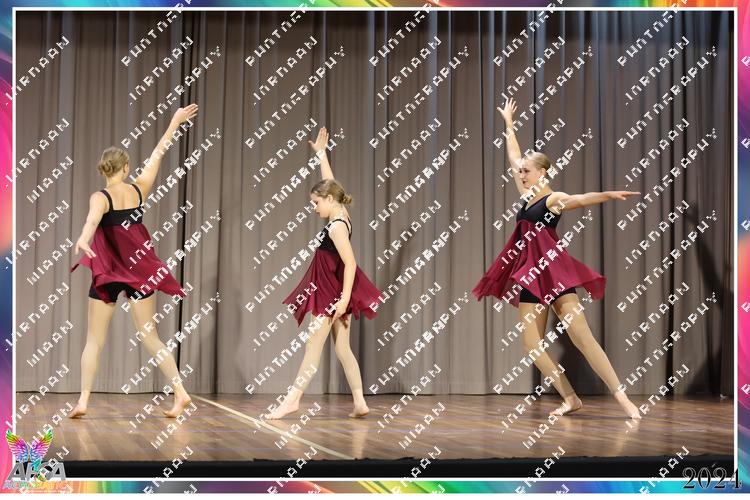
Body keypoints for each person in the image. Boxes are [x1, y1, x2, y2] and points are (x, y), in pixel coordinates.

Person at [473, 97, 641, 419]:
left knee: (582, 337)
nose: (521, 174)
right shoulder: (526, 196)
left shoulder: (553, 199)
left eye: (526, 171)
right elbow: (513, 155)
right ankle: (570, 398)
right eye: (521, 171)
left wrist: (609, 195)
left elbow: (580, 199)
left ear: (543, 172)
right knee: (531, 345)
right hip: (530, 276)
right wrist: (509, 124)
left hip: (553, 273)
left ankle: (623, 399)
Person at [68, 104, 199, 419]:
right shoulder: (139, 189)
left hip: (109, 272)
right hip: (141, 271)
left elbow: (91, 220)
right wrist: (174, 122)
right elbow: (158, 153)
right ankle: (180, 393)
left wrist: (84, 238)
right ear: (125, 167)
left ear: (104, 170)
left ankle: (83, 401)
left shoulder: (100, 197)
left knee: (94, 340)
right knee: (150, 336)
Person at [264, 127, 383, 420]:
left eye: (316, 202)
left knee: (312, 348)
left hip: (331, 293)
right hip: (334, 290)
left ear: (329, 199)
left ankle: (292, 401)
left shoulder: (337, 227)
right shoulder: (341, 213)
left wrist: (342, 300)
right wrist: (321, 154)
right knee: (343, 349)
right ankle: (360, 402)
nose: (313, 207)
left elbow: (351, 263)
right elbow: (330, 183)